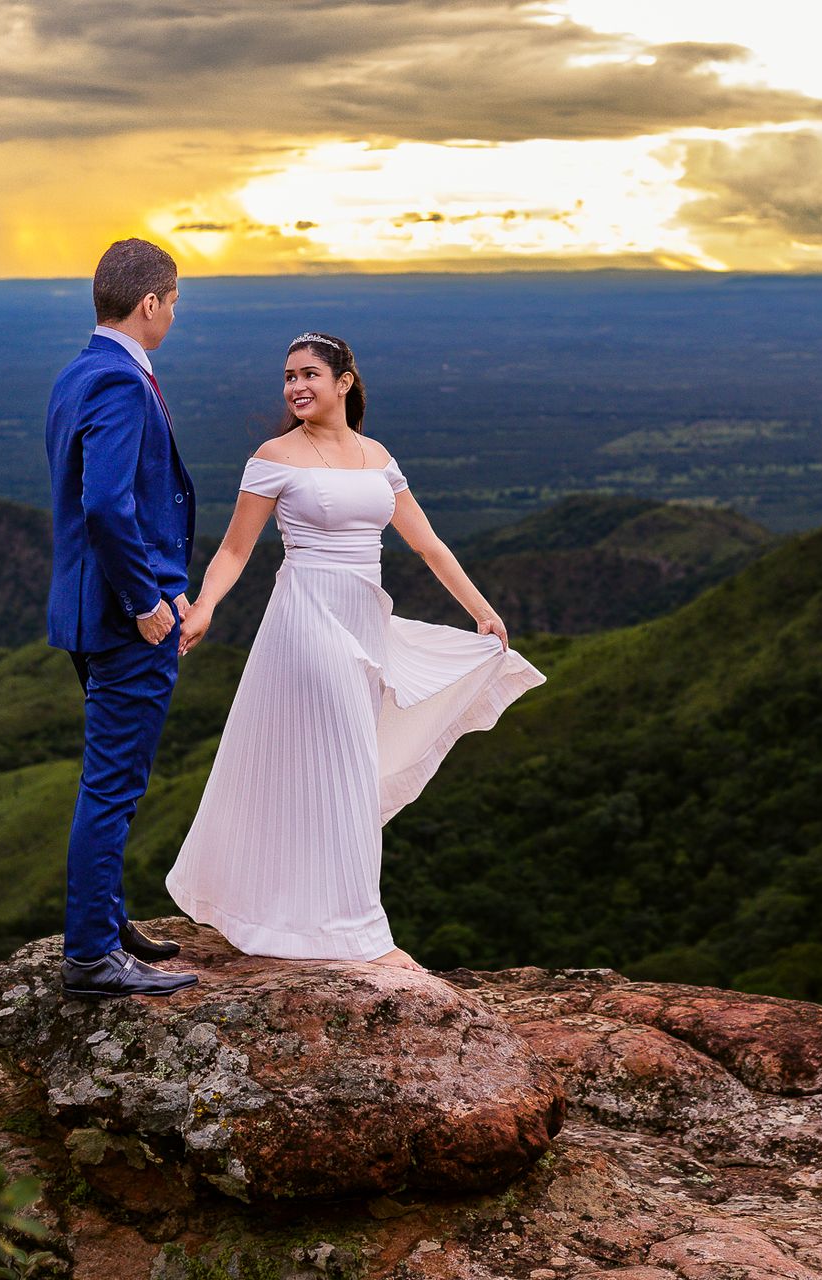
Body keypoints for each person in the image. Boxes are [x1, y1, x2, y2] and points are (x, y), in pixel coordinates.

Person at [165, 331, 545, 969]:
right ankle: (356, 928)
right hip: (306, 618)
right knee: (344, 760)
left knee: (342, 764)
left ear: (345, 381)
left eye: (309, 374)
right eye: (288, 377)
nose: (296, 387)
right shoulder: (275, 455)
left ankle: (310, 917)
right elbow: (234, 549)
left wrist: (481, 611)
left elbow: (427, 544)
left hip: (365, 617)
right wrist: (205, 606)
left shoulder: (377, 456)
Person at [45, 238, 201, 999]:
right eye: (173, 302)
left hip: (84, 610)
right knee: (113, 785)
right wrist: (148, 602)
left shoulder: (78, 370)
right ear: (150, 304)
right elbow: (105, 504)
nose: (174, 313)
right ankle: (90, 958)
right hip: (122, 617)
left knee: (109, 778)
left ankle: (106, 922)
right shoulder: (120, 382)